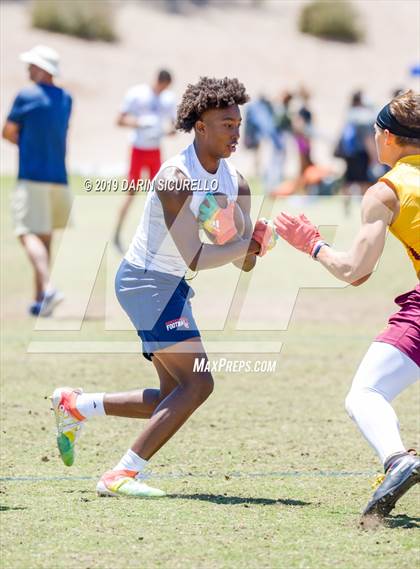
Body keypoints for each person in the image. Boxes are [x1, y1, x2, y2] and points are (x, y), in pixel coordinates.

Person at [51, 77, 278, 498]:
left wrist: (259, 239)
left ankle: (76, 405)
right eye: (226, 124)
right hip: (144, 282)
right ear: (201, 126)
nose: (236, 132)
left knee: (171, 398)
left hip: (170, 286)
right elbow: (195, 256)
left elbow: (242, 261)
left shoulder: (237, 182)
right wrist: (242, 243)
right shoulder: (175, 178)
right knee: (199, 383)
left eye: (238, 123)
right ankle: (120, 475)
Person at [275, 90, 420, 521]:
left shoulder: (388, 191)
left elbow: (354, 270)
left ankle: (397, 460)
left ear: (389, 138)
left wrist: (312, 244)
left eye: (375, 133)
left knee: (366, 393)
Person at [2, 45, 73, 316]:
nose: (28, 69)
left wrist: (24, 141)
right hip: (59, 178)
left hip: (31, 176)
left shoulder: (26, 95)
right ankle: (41, 300)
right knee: (44, 240)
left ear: (43, 69)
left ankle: (48, 286)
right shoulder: (67, 99)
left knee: (24, 232)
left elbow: (7, 132)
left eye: (32, 65)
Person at [113, 69, 176, 253]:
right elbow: (119, 120)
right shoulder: (137, 94)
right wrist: (140, 123)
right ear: (157, 80)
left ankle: (160, 239)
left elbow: (173, 125)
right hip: (138, 149)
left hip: (155, 151)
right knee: (131, 193)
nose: (163, 90)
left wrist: (167, 130)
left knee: (161, 194)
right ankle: (117, 233)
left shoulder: (168, 99)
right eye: (162, 86)